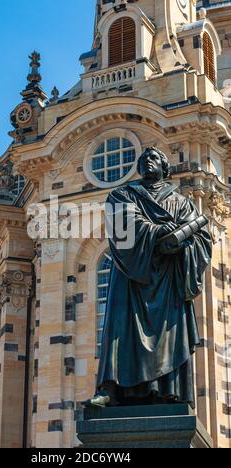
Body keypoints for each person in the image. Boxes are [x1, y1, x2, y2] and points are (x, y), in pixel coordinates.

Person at [88, 147, 212, 408]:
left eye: (153, 158)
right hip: (131, 274)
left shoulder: (181, 202)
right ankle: (111, 389)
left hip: (168, 277)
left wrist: (182, 245)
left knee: (169, 334)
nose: (147, 162)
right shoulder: (122, 194)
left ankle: (167, 391)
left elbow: (202, 239)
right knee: (119, 327)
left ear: (165, 167)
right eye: (143, 159)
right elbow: (123, 222)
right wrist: (157, 231)